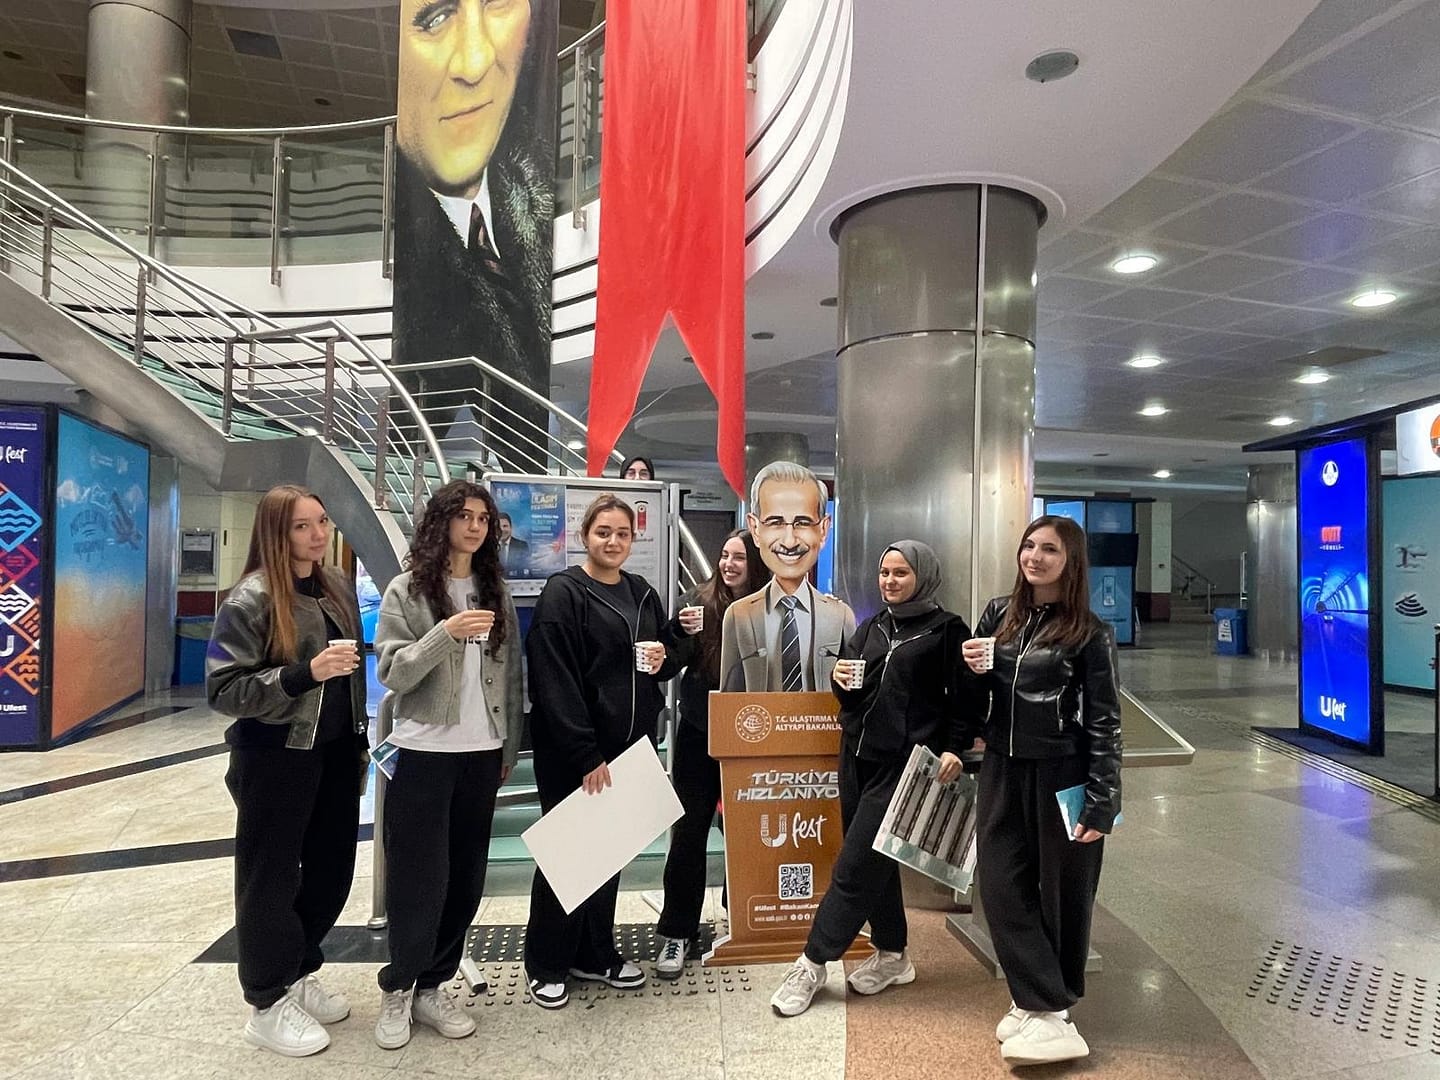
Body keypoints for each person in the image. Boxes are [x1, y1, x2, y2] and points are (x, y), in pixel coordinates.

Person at [770, 541, 980, 1017]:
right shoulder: (873, 626)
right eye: (884, 572)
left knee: (854, 867)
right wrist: (841, 682)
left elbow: (966, 697)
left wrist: (955, 746)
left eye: (900, 573)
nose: (889, 581)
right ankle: (893, 954)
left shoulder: (947, 630)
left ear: (923, 576)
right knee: (876, 862)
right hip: (857, 757)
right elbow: (852, 692)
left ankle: (812, 963)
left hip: (904, 766)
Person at [206, 485, 367, 1058]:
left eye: (322, 521)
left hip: (336, 751)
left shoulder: (336, 585)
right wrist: (303, 674)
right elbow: (223, 689)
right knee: (269, 879)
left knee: (332, 870)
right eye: (302, 526)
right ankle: (266, 998)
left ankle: (297, 967)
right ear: (277, 532)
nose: (318, 534)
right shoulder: (250, 599)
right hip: (275, 756)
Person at [962, 515, 1122, 1067]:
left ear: (1070, 560)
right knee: (1000, 883)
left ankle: (1050, 1010)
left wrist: (1102, 801)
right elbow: (975, 700)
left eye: (1049, 549)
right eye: (1029, 546)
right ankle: (1040, 1001)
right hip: (1002, 766)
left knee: (1063, 892)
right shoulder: (998, 615)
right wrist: (972, 673)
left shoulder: (1090, 634)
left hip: (1062, 771)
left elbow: (1105, 721)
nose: (1034, 557)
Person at [371, 480, 524, 1050]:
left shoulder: (494, 590)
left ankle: (432, 985)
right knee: (418, 878)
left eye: (483, 518)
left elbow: (512, 675)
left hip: (480, 754)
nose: (475, 526)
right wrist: (445, 633)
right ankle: (399, 985)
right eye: (464, 515)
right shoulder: (407, 589)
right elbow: (393, 671)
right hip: (423, 752)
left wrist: (507, 749)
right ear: (442, 522)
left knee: (465, 878)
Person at [523, 493, 680, 1009]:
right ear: (584, 536)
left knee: (607, 855)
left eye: (623, 534)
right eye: (603, 532)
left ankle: (594, 953)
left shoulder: (641, 593)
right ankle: (546, 962)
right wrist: (585, 753)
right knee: (568, 855)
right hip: (577, 753)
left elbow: (662, 659)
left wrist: (666, 656)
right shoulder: (564, 593)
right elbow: (555, 680)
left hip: (630, 748)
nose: (613, 541)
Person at [390, 0, 554, 474]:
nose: (477, 62)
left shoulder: (530, 199)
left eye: (499, 3)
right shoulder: (419, 276)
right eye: (436, 18)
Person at [652, 529, 771, 978]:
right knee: (689, 832)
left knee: (749, 831)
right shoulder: (698, 603)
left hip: (754, 737)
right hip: (700, 734)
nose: (728, 564)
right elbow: (671, 661)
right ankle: (677, 931)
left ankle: (743, 917)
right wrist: (670, 640)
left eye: (739, 558)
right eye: (724, 556)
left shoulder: (772, 608)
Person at [719, 460, 854, 692]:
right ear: (755, 529)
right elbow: (730, 698)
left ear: (823, 530)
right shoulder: (739, 615)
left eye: (802, 523)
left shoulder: (840, 616)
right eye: (776, 522)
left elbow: (855, 694)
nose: (789, 541)